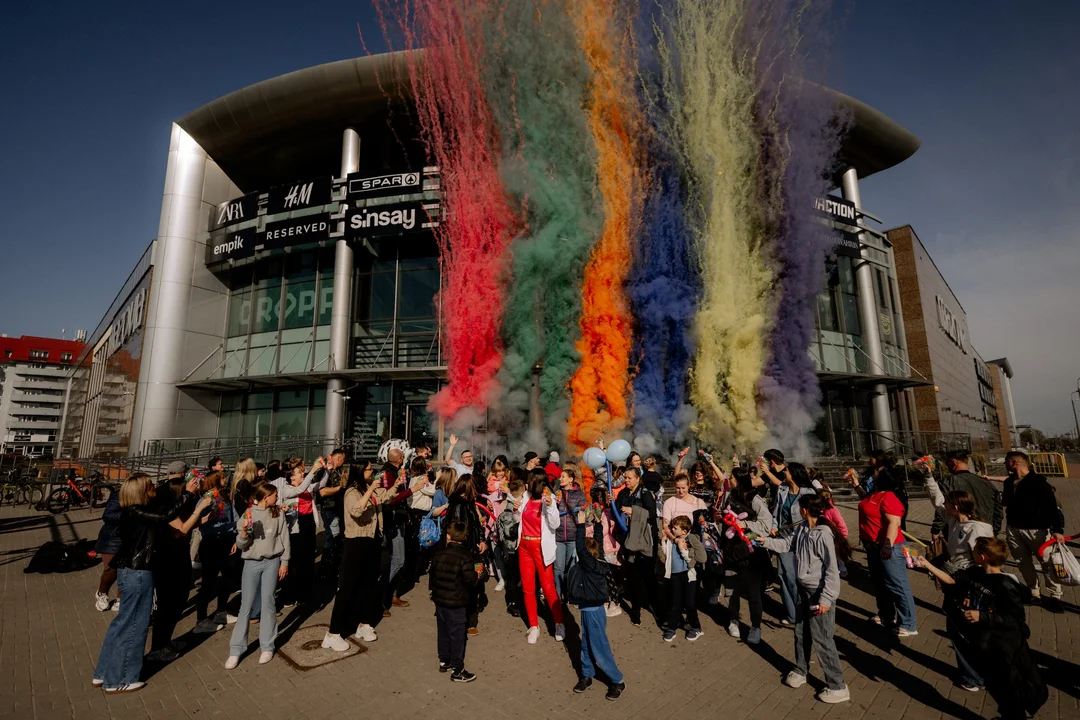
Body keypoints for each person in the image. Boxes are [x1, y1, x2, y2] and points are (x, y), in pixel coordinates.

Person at [92, 472, 202, 693]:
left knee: (122, 623)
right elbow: (164, 517)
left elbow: (166, 519)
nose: (155, 487)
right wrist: (189, 495)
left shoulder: (133, 512)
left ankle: (105, 672)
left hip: (130, 570)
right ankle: (121, 678)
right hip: (137, 571)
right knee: (135, 624)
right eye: (150, 485)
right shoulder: (136, 512)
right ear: (140, 491)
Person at [918, 538, 1048, 717]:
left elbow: (1017, 621)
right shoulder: (975, 573)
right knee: (994, 685)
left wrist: (983, 615)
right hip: (985, 643)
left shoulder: (1006, 584)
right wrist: (926, 564)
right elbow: (951, 580)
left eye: (974, 552)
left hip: (1005, 646)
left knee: (1009, 688)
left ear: (983, 556)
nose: (972, 554)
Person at [761, 495, 851, 704]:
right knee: (801, 633)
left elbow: (832, 570)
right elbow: (787, 544)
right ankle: (801, 669)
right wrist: (764, 541)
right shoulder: (802, 529)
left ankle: (837, 685)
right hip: (803, 590)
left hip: (819, 593)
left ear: (803, 510)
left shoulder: (823, 535)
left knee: (823, 638)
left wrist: (827, 599)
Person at [148, 470, 210, 663]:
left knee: (179, 600)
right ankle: (157, 648)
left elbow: (187, 524)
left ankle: (166, 642)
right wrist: (198, 509)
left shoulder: (176, 508)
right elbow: (182, 528)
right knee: (167, 606)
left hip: (180, 557)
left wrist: (206, 518)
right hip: (167, 561)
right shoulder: (165, 508)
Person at [226, 483, 290, 669]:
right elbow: (241, 544)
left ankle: (267, 645)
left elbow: (283, 538)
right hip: (252, 563)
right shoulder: (249, 514)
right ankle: (236, 649)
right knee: (246, 605)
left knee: (268, 602)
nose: (276, 497)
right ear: (265, 496)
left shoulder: (278, 513)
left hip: (272, 561)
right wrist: (244, 531)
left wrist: (284, 561)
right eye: (274, 495)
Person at [851, 467, 918, 636]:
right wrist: (856, 485)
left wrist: (887, 545)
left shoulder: (888, 496)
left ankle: (909, 623)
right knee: (880, 584)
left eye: (878, 471)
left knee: (897, 584)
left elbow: (894, 523)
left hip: (888, 547)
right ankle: (887, 616)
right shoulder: (875, 494)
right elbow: (867, 504)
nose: (874, 471)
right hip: (872, 546)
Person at [571, 509, 625, 700]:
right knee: (585, 644)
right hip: (587, 610)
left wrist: (580, 525)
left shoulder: (591, 564)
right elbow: (599, 542)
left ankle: (617, 680)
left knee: (599, 647)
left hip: (593, 612)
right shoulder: (598, 556)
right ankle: (587, 674)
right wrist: (597, 524)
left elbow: (580, 548)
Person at [1002, 451, 1066, 612]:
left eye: (1006, 461)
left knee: (1047, 563)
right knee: (1023, 562)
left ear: (1014, 462)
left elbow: (1051, 507)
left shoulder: (1038, 482)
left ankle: (1055, 596)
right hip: (1014, 528)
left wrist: (1057, 530)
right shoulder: (1009, 482)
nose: (1004, 464)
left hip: (1037, 530)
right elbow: (1007, 503)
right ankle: (1034, 592)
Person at [761, 459, 817, 626]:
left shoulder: (808, 492)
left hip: (802, 539)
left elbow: (814, 516)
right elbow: (777, 511)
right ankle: (793, 613)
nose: (784, 473)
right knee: (786, 576)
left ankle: (807, 609)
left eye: (786, 471)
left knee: (802, 576)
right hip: (782, 538)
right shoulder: (782, 489)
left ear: (793, 474)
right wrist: (773, 527)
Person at [724, 467, 775, 644]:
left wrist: (745, 524)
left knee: (754, 593)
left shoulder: (755, 500)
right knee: (730, 590)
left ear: (738, 480)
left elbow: (767, 525)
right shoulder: (728, 496)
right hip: (731, 551)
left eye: (731, 477)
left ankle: (755, 626)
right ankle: (733, 619)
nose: (729, 480)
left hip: (750, 554)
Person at [515, 469, 565, 644]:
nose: (527, 484)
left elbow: (555, 524)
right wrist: (516, 510)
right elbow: (518, 520)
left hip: (540, 548)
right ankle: (534, 626)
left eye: (529, 481)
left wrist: (551, 506)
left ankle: (559, 623)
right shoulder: (526, 497)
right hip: (524, 546)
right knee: (528, 588)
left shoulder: (547, 499)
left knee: (548, 588)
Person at [429, 520, 480, 682]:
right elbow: (470, 581)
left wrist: (433, 595)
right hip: (456, 602)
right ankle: (457, 669)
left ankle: (444, 660)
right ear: (464, 538)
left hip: (440, 600)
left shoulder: (439, 554)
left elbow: (433, 578)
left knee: (443, 631)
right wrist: (479, 574)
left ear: (448, 536)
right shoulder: (465, 557)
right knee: (457, 634)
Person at [272, 457, 321, 608]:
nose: (303, 473)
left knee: (306, 561)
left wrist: (326, 470)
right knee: (293, 563)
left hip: (307, 525)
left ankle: (304, 595)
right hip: (293, 528)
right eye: (300, 472)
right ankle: (287, 595)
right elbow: (299, 490)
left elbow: (319, 485)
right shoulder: (287, 488)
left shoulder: (306, 486)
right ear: (291, 476)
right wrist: (313, 470)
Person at [923, 472, 994, 574]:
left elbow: (983, 558)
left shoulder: (976, 529)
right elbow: (937, 500)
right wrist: (929, 477)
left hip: (969, 575)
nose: (943, 504)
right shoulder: (954, 520)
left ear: (955, 507)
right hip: (956, 571)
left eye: (946, 502)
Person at [193, 470, 237, 632]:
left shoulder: (224, 496)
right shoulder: (205, 499)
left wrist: (235, 537)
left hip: (226, 540)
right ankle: (201, 619)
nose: (225, 479)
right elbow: (199, 522)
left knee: (228, 577)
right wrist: (212, 520)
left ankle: (221, 611)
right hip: (212, 542)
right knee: (209, 582)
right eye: (223, 477)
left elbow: (235, 517)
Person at [445, 473, 488, 635]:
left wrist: (482, 540)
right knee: (464, 586)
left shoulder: (469, 503)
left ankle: (470, 621)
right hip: (463, 553)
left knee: (475, 585)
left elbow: (477, 525)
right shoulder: (457, 505)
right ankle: (463, 621)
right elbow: (455, 532)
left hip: (474, 551)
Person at [615, 466, 658, 626]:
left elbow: (652, 514)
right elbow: (616, 511)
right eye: (625, 477)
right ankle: (636, 609)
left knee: (648, 576)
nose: (626, 480)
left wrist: (634, 511)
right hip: (629, 540)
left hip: (645, 540)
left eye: (629, 478)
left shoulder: (645, 493)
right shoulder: (623, 493)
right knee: (633, 577)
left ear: (638, 479)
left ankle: (655, 605)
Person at [659, 516, 707, 642]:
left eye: (675, 528)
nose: (672, 530)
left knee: (690, 603)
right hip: (674, 575)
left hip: (688, 575)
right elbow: (667, 555)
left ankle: (696, 627)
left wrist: (683, 550)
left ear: (684, 531)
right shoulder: (672, 540)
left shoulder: (690, 540)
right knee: (675, 603)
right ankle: (672, 628)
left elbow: (690, 561)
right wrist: (664, 542)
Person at [934, 450, 1002, 537]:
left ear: (953, 463)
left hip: (959, 531)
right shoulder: (986, 483)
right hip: (985, 529)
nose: (946, 466)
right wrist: (995, 531)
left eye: (947, 463)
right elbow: (998, 509)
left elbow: (942, 506)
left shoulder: (947, 483)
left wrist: (936, 529)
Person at [586, 483, 623, 617]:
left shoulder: (607, 513)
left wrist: (586, 531)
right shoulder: (598, 512)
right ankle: (607, 600)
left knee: (610, 577)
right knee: (604, 577)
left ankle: (615, 601)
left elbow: (604, 529)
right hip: (601, 547)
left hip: (608, 548)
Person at [553, 462, 587, 597]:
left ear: (571, 480)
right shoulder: (556, 493)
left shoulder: (580, 495)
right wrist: (552, 504)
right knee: (558, 568)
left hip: (573, 537)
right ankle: (558, 594)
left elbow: (584, 514)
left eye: (563, 477)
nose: (560, 479)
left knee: (571, 568)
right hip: (558, 536)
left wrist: (580, 510)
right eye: (560, 477)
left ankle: (571, 594)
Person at [497, 475, 526, 617]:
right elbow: (509, 532)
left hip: (519, 549)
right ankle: (512, 603)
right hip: (511, 550)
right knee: (512, 578)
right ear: (521, 494)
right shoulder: (509, 510)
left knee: (519, 577)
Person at [316, 448, 348, 574]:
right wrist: (341, 488)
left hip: (336, 508)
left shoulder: (337, 470)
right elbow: (322, 492)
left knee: (335, 537)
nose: (344, 461)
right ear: (339, 458)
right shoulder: (324, 470)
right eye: (343, 459)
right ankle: (325, 568)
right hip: (329, 508)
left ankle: (332, 566)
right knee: (331, 538)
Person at [93, 488, 123, 612]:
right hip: (113, 538)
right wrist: (130, 513)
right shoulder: (118, 495)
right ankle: (102, 592)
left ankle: (120, 598)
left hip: (131, 539)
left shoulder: (146, 497)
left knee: (125, 571)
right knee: (111, 570)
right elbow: (108, 515)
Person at [817, 486, 849, 578]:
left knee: (838, 555)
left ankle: (843, 569)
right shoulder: (821, 511)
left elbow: (841, 524)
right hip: (826, 537)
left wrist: (843, 537)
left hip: (836, 537)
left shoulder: (833, 510)